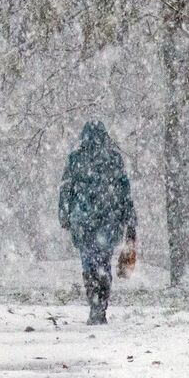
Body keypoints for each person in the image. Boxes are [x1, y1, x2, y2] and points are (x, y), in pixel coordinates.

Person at [57, 120, 137, 325]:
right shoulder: (113, 159)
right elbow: (124, 192)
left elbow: (66, 189)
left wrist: (65, 216)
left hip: (83, 223)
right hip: (108, 223)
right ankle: (101, 306)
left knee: (89, 263)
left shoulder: (75, 159)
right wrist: (130, 222)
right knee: (103, 262)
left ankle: (94, 304)